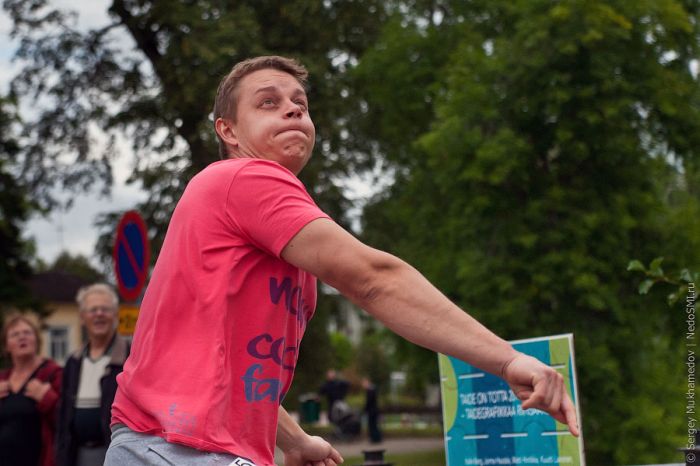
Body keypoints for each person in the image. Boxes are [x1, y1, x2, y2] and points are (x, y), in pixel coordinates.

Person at [106, 55, 579, 466]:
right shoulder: (242, 179)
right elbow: (375, 280)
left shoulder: (276, 242)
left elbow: (230, 372)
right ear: (227, 130)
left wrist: (294, 439)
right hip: (171, 448)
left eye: (301, 104)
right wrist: (510, 361)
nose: (292, 107)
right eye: (268, 102)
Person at [56, 283, 130, 466]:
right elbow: (64, 415)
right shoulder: (73, 361)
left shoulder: (130, 356)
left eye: (105, 309)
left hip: (116, 454)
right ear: (82, 317)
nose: (99, 314)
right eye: (93, 310)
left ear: (115, 315)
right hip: (77, 454)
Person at [0, 314, 62, 466]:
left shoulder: (53, 373)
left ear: (37, 339)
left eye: (27, 333)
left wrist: (47, 398)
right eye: (15, 334)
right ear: (7, 345)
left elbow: (66, 421)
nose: (22, 337)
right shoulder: (2, 378)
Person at [362, 377, 382, 444]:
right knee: (374, 425)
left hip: (372, 411)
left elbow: (369, 402)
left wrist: (364, 409)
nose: (363, 385)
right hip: (374, 410)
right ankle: (377, 438)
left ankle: (375, 438)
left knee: (372, 425)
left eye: (364, 383)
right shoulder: (373, 389)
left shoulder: (370, 390)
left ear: (367, 382)